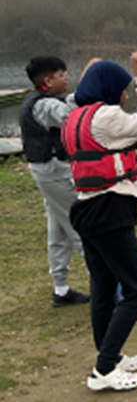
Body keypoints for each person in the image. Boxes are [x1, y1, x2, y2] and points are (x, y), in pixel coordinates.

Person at [62, 51, 137, 392]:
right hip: (109, 216)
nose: (125, 96)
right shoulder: (107, 116)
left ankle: (110, 354)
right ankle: (104, 369)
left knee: (104, 289)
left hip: (89, 210)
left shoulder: (76, 118)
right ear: (107, 88)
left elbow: (107, 169)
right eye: (122, 89)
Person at [19, 56, 91, 308]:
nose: (66, 78)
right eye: (63, 74)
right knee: (81, 227)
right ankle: (106, 289)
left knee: (58, 232)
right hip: (54, 174)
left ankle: (61, 290)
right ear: (48, 80)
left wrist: (80, 88)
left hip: (50, 171)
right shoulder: (42, 106)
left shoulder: (42, 100)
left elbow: (66, 104)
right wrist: (88, 85)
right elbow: (70, 116)